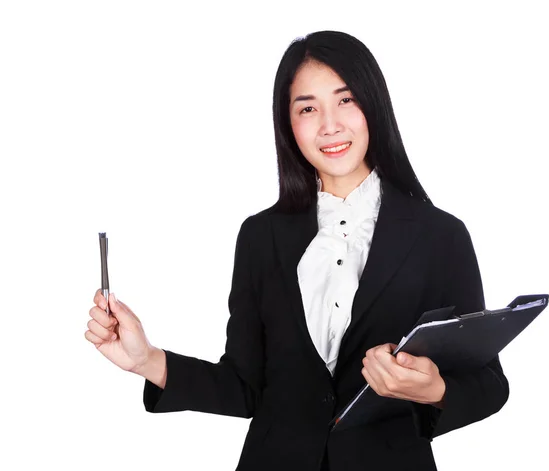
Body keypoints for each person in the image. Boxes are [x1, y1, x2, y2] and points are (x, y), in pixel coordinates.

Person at [85, 30, 509, 471]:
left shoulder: (440, 235)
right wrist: (148, 360)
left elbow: (488, 385)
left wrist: (433, 389)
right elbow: (245, 386)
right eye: (308, 108)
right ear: (288, 124)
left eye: (346, 100)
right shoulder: (260, 236)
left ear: (374, 105)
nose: (329, 125)